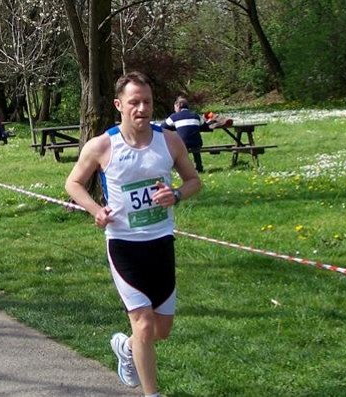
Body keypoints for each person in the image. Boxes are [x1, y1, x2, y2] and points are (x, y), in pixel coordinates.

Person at [64, 71, 201, 397]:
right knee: (143, 324)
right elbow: (72, 183)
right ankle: (151, 394)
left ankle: (126, 348)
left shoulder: (169, 141)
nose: (142, 109)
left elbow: (194, 181)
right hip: (124, 245)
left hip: (161, 242)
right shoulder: (102, 146)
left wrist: (177, 194)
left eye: (147, 102)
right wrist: (96, 210)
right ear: (119, 105)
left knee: (161, 330)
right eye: (134, 103)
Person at [162, 97, 231, 173]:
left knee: (175, 146)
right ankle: (199, 167)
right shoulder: (196, 115)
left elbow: (163, 126)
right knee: (194, 142)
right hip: (197, 143)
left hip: (183, 144)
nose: (174, 109)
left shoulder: (174, 117)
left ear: (178, 106)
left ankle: (180, 169)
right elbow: (205, 126)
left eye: (174, 107)